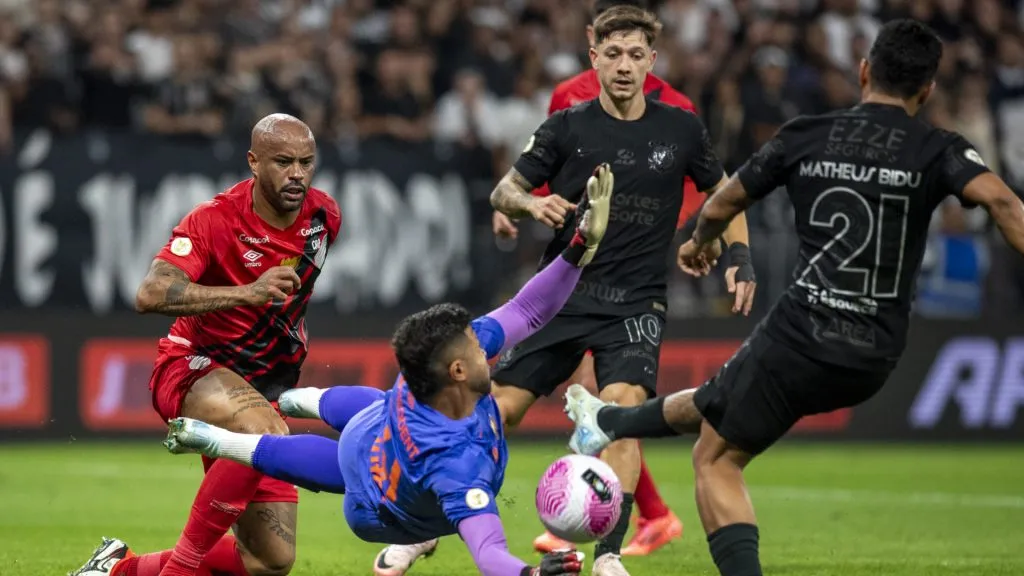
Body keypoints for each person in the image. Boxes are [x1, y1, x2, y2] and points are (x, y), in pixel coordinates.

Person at [563, 19, 1024, 576]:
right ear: (926, 90)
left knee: (714, 456)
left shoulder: (807, 133)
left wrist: (701, 244)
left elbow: (720, 202)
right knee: (720, 399)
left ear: (862, 72)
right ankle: (608, 422)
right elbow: (1004, 205)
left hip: (803, 333)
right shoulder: (938, 147)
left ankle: (609, 424)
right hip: (875, 353)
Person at [155, 164, 615, 576]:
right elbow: (490, 551)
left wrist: (580, 246)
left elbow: (527, 310)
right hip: (380, 511)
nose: (488, 350)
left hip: (384, 431)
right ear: (457, 370)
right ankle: (264, 428)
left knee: (372, 417)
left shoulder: (426, 375)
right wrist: (532, 574)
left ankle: (296, 401)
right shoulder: (457, 467)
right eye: (478, 350)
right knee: (355, 465)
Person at [486, 7, 752, 576]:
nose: (624, 66)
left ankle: (608, 558)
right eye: (613, 55)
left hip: (635, 301)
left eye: (636, 55)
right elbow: (504, 190)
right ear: (594, 59)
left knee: (622, 412)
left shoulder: (681, 127)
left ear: (652, 61)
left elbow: (726, 194)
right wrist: (532, 203)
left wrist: (738, 257)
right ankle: (451, 516)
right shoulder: (567, 125)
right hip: (561, 295)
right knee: (497, 412)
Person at [70, 114, 342, 576]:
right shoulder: (214, 220)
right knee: (267, 434)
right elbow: (150, 294)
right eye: (283, 162)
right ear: (253, 162)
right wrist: (246, 292)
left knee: (268, 562)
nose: (297, 173)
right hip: (191, 367)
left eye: (306, 162)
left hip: (259, 389)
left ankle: (116, 568)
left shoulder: (323, 217)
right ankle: (181, 570)